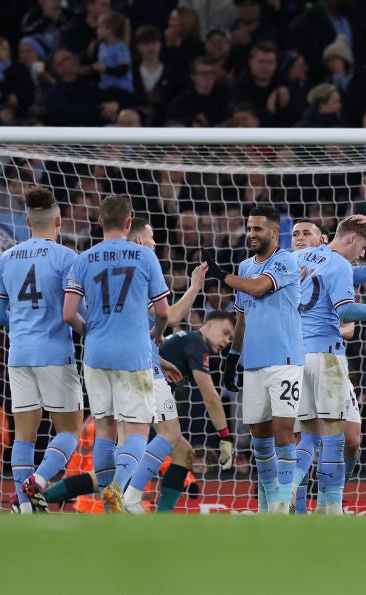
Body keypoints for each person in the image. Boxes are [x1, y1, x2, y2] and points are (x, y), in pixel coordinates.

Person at [61, 195, 170, 512]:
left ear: (99, 222)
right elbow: (162, 310)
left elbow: (69, 313)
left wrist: (89, 333)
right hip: (133, 354)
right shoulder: (144, 256)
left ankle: (109, 507)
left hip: (95, 355)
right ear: (128, 223)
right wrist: (157, 333)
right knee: (137, 428)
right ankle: (118, 488)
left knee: (105, 428)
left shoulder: (82, 259)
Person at [120, 218, 236, 512]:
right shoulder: (142, 269)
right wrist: (196, 286)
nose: (155, 243)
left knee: (181, 452)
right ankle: (129, 496)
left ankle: (158, 516)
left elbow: (137, 327)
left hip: (118, 363)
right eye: (151, 238)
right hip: (143, 369)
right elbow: (168, 316)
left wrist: (158, 356)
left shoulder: (115, 269)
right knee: (164, 438)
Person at [201, 203, 304, 513]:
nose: (251, 234)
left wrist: (222, 275)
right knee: (259, 436)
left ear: (274, 232)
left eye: (257, 229)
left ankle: (285, 501)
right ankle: (273, 500)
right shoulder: (245, 266)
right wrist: (234, 356)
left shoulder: (285, 261)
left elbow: (259, 288)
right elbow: (242, 316)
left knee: (284, 430)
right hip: (254, 363)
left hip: (285, 361)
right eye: (248, 228)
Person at [0, 187, 80, 514]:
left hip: (19, 355)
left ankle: (25, 508)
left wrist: (22, 323)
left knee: (24, 436)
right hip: (55, 352)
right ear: (58, 220)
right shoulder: (68, 257)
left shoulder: (6, 257)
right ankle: (38, 481)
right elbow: (76, 307)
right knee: (70, 430)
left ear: (27, 221)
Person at [291, 216, 366, 515]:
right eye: (362, 246)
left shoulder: (298, 258)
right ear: (350, 240)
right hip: (326, 357)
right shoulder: (339, 265)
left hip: (296, 358)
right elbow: (346, 310)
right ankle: (330, 510)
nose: (363, 253)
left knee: (307, 435)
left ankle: (287, 501)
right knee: (333, 437)